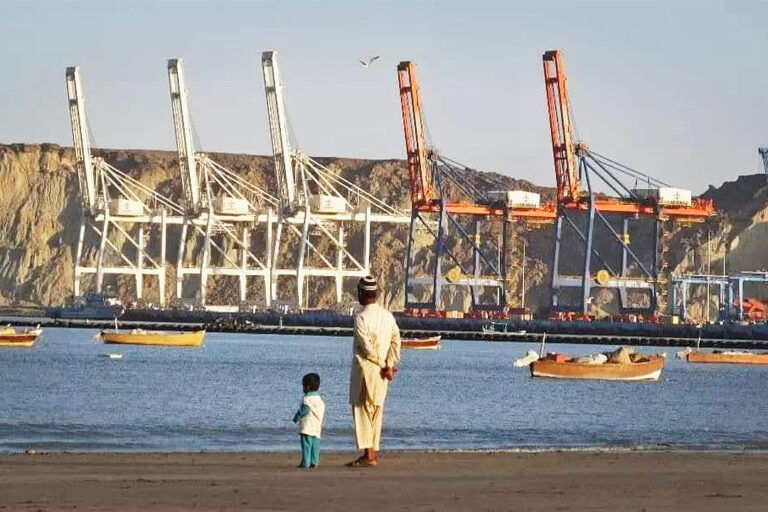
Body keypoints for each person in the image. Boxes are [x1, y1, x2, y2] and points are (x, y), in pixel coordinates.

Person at [347, 275, 401, 467]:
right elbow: (396, 341)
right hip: (383, 373)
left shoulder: (361, 318)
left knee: (362, 410)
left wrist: (383, 364)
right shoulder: (388, 316)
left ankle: (369, 456)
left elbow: (367, 347)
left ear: (362, 294)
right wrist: (390, 364)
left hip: (365, 370)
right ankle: (372, 454)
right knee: (376, 412)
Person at [292, 373, 325, 469]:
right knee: (315, 446)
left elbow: (305, 410)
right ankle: (314, 462)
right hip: (317, 426)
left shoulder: (307, 399)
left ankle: (305, 462)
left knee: (306, 445)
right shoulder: (320, 399)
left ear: (307, 386)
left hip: (307, 426)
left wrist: (297, 417)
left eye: (303, 385)